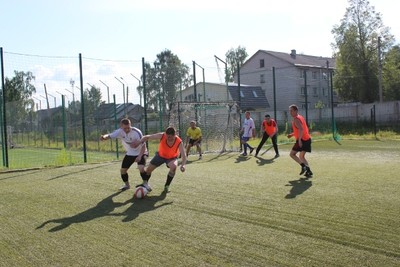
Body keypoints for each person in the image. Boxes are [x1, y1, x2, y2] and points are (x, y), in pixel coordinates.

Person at [133, 126, 187, 193]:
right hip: (160, 156)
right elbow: (147, 137)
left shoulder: (179, 141)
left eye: (170, 137)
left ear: (174, 135)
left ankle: (166, 186)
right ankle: (145, 183)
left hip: (171, 158)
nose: (168, 138)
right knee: (148, 170)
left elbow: (184, 156)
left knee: (173, 167)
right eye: (167, 137)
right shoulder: (162, 135)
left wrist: (183, 165)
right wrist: (138, 142)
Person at [100, 118, 147, 191]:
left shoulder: (137, 132)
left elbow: (143, 146)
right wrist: (104, 137)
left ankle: (145, 184)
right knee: (123, 171)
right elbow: (110, 135)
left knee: (141, 168)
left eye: (128, 127)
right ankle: (127, 185)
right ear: (121, 126)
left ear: (130, 125)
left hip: (141, 152)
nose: (127, 129)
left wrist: (140, 156)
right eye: (125, 128)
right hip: (130, 153)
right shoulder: (119, 132)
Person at [287, 104, 313, 177]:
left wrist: (299, 141)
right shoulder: (300, 117)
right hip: (307, 139)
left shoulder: (296, 119)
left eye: (291, 111)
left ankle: (303, 166)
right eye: (290, 111)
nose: (290, 112)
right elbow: (300, 129)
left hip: (302, 140)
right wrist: (292, 134)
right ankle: (308, 171)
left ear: (296, 111)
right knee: (301, 156)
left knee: (292, 154)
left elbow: (301, 129)